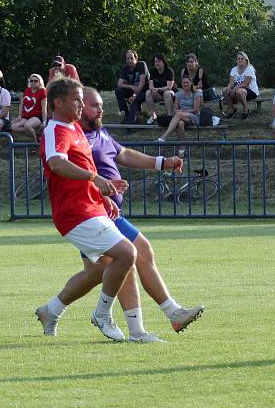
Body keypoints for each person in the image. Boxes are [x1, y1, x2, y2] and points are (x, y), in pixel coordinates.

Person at [56, 85, 205, 342]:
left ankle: (51, 310)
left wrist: (162, 163)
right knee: (123, 262)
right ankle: (155, 320)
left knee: (119, 263)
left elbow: (123, 153)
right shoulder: (75, 136)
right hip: (91, 214)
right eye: (93, 105)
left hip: (109, 213)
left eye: (100, 104)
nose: (99, 109)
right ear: (77, 107)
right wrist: (100, 189)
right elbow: (68, 171)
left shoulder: (99, 133)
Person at [33, 77, 136, 342]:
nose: (81, 105)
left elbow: (87, 170)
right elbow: (56, 163)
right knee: (127, 254)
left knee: (99, 271)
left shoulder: (75, 129)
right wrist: (95, 180)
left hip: (92, 207)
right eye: (76, 100)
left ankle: (51, 310)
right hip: (75, 213)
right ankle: (102, 314)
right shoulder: (55, 130)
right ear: (58, 102)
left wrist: (103, 194)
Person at [156, 75, 202, 148]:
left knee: (178, 115)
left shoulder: (197, 93)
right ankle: (182, 149)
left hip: (194, 117)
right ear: (181, 83)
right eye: (184, 82)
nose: (185, 84)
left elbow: (195, 110)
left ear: (191, 83)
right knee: (180, 123)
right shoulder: (178, 94)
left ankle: (164, 136)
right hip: (182, 117)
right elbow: (175, 110)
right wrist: (181, 112)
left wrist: (183, 111)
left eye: (187, 82)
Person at [222, 51, 259, 119]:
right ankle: (233, 109)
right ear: (236, 60)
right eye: (238, 58)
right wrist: (229, 88)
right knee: (224, 90)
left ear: (246, 60)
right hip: (237, 90)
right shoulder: (234, 69)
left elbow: (246, 84)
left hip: (251, 91)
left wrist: (235, 88)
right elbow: (231, 82)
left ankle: (246, 109)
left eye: (242, 58)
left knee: (239, 91)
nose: (240, 60)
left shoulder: (250, 68)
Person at [114, 49, 148, 124]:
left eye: (132, 58)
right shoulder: (125, 68)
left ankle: (131, 122)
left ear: (136, 59)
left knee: (134, 102)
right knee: (118, 90)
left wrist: (134, 95)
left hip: (144, 90)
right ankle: (126, 113)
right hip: (133, 89)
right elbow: (119, 84)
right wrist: (131, 87)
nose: (130, 60)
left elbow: (142, 83)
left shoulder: (141, 65)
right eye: (127, 59)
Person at [10, 74, 47, 142]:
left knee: (27, 126)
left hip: (37, 116)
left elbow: (44, 107)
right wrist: (20, 115)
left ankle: (34, 142)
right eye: (31, 81)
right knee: (13, 127)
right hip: (26, 116)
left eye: (36, 81)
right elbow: (22, 104)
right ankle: (35, 135)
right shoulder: (27, 90)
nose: (33, 82)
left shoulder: (42, 91)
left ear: (40, 82)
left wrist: (44, 122)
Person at [142, 53, 176, 124]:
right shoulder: (153, 72)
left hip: (170, 93)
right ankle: (153, 115)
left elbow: (169, 87)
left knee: (167, 93)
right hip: (158, 94)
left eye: (159, 61)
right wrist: (153, 89)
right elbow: (150, 86)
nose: (157, 63)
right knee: (148, 92)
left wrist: (158, 89)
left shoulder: (169, 71)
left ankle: (170, 116)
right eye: (155, 61)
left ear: (164, 63)